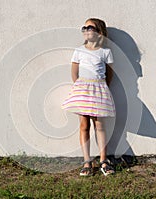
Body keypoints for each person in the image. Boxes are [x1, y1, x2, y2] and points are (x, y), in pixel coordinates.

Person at [61, 18, 116, 176]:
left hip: (99, 89)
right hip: (83, 90)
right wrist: (81, 88)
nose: (85, 29)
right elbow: (74, 73)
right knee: (84, 126)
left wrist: (101, 88)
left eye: (89, 27)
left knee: (100, 125)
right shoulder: (79, 51)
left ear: (99, 32)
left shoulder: (105, 52)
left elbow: (109, 74)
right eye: (84, 27)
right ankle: (87, 161)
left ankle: (103, 160)